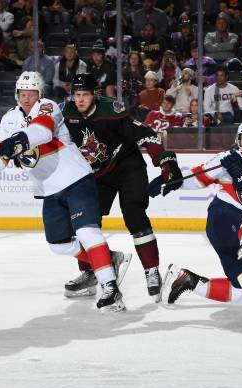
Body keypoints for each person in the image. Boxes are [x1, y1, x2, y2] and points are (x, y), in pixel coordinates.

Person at [0, 72, 127, 312]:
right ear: (17, 94)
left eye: (32, 93)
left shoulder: (48, 107)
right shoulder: (10, 119)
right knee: (59, 244)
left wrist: (19, 141)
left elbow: (41, 132)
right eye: (23, 94)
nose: (27, 98)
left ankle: (110, 288)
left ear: (39, 94)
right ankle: (107, 258)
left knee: (86, 231)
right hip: (49, 189)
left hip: (75, 178)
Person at [61, 73, 183, 302]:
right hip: (97, 174)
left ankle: (151, 270)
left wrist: (167, 162)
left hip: (127, 166)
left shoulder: (111, 110)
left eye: (85, 94)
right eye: (76, 95)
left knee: (134, 213)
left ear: (94, 94)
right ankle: (92, 270)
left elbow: (146, 134)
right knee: (84, 223)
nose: (80, 100)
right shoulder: (66, 113)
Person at [154, 119, 242, 306]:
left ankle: (186, 280)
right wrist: (174, 182)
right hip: (222, 218)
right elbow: (199, 178)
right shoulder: (227, 157)